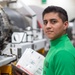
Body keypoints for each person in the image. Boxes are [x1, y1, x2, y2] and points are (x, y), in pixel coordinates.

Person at [42, 6, 75, 75]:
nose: (48, 26)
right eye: (45, 22)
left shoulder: (63, 53)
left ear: (65, 25)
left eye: (53, 21)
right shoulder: (56, 45)